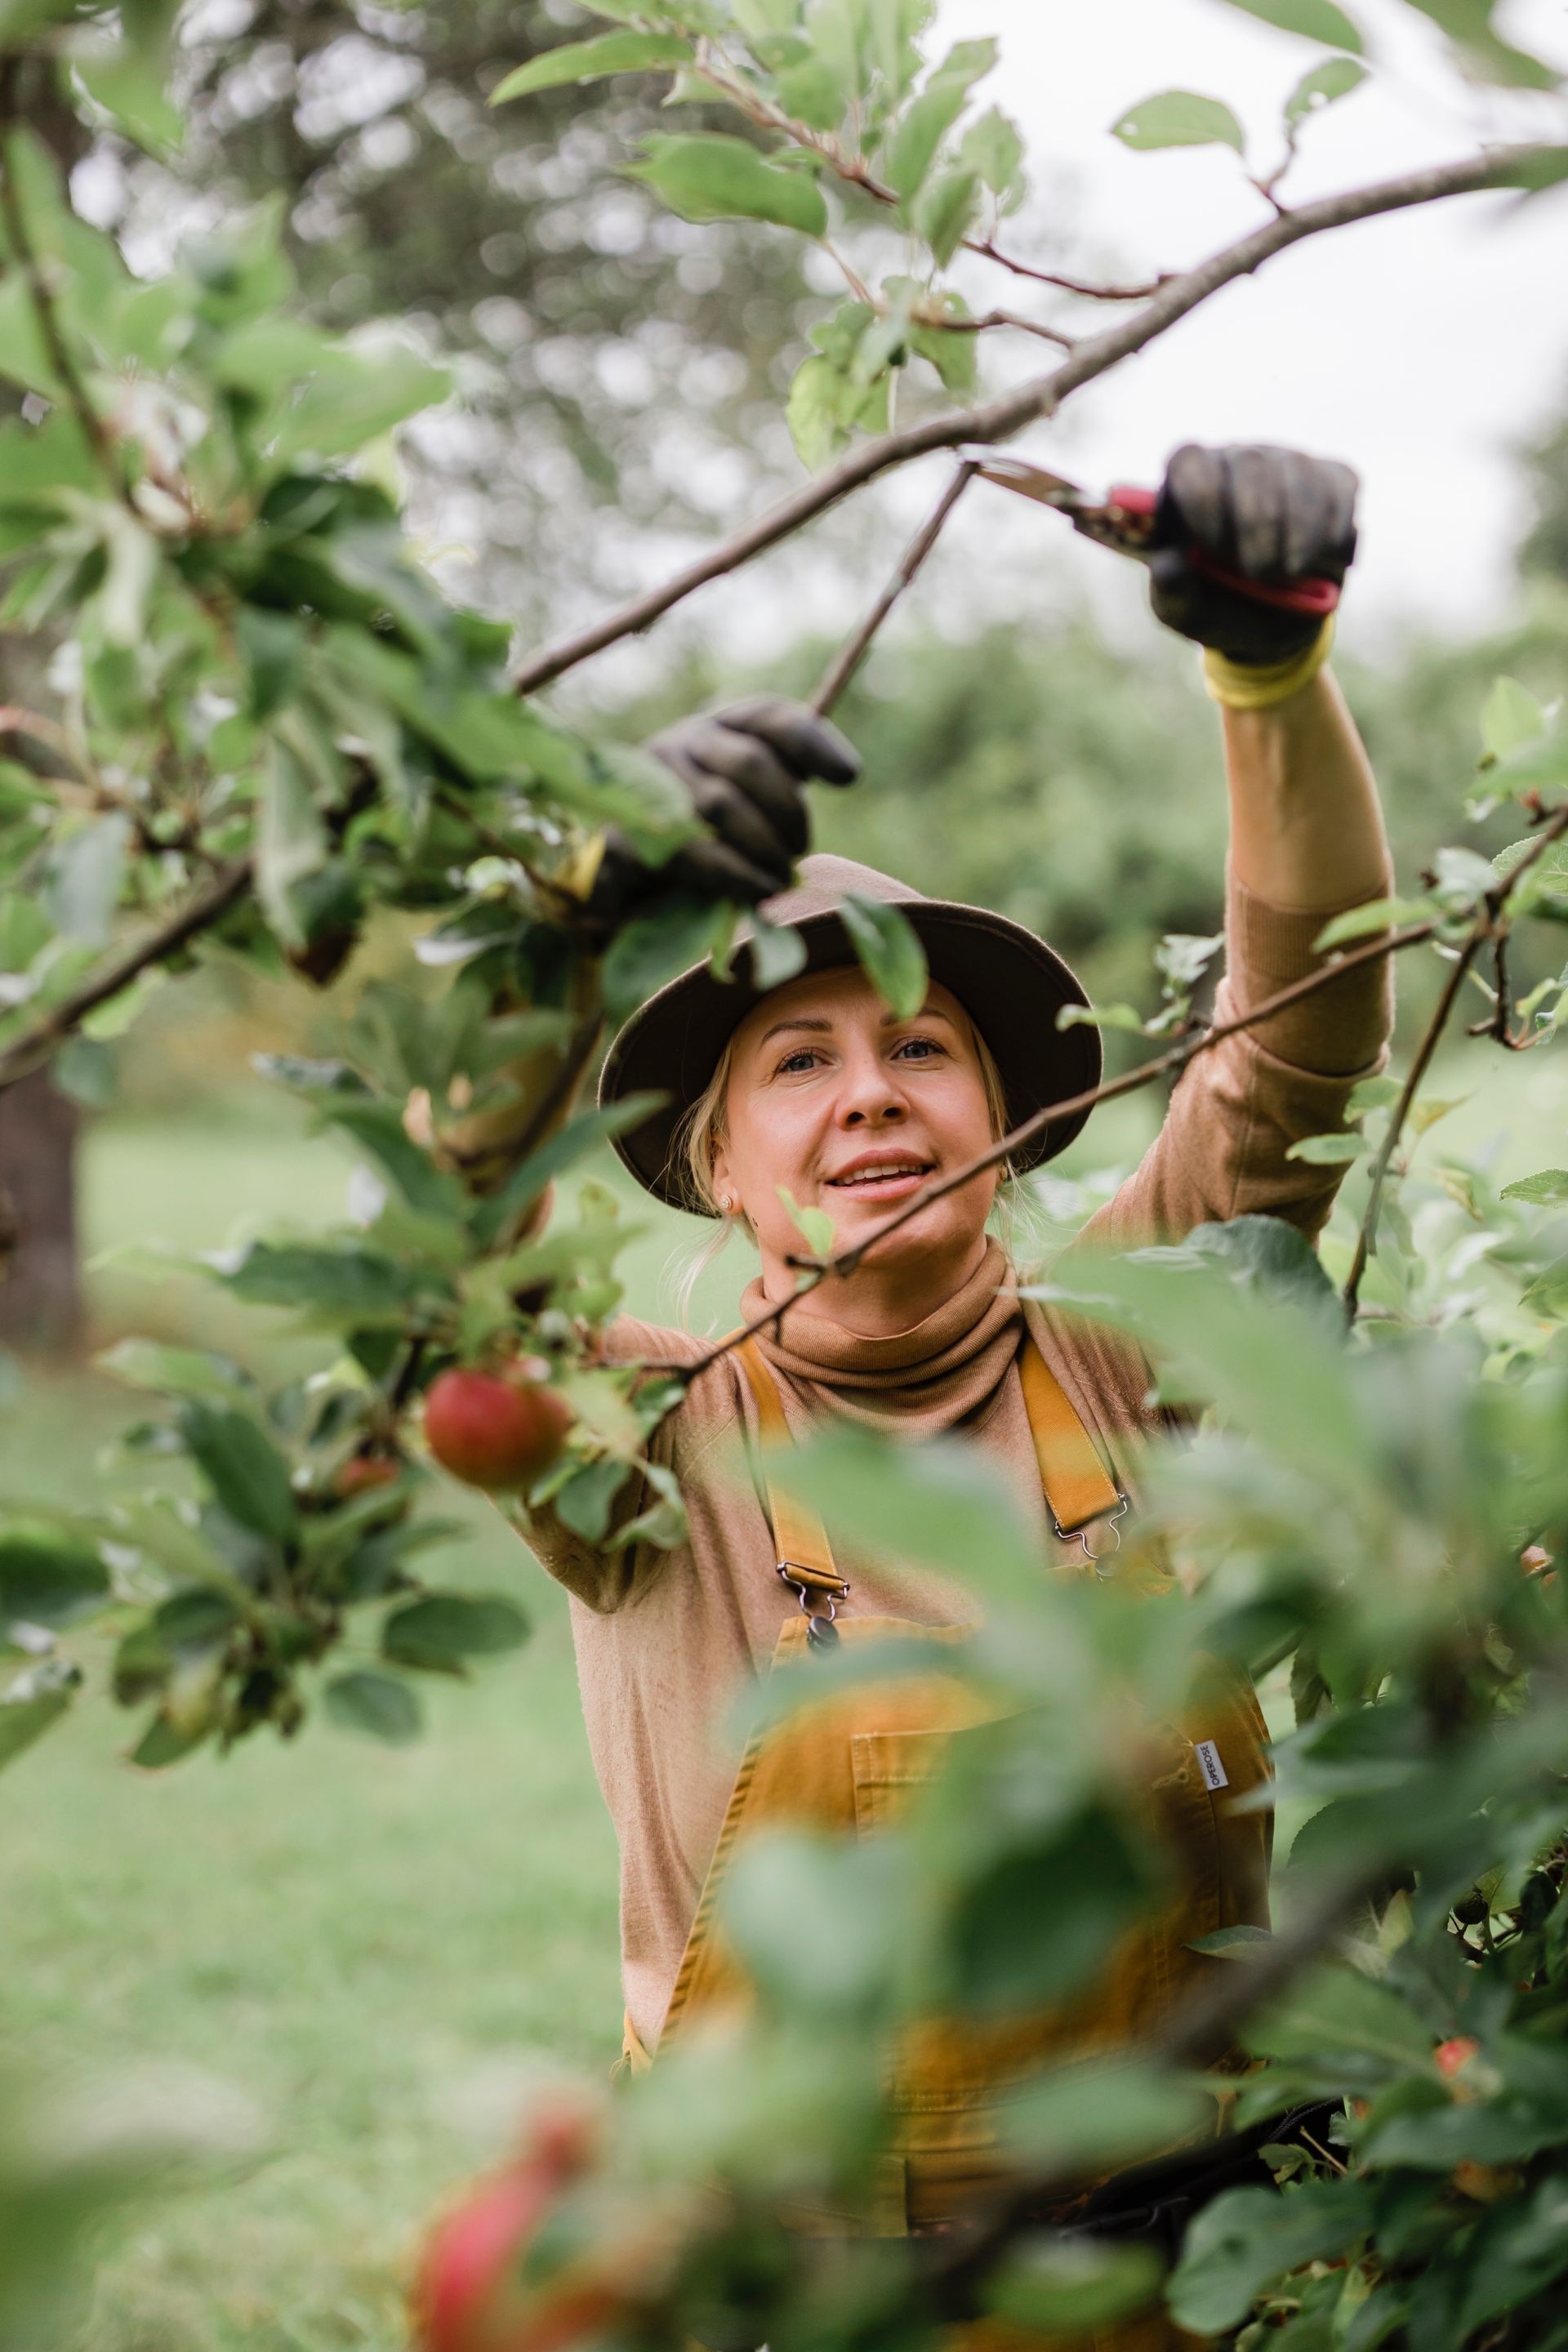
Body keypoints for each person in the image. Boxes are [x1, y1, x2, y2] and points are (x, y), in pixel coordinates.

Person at [493, 447, 1394, 2256]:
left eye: (919, 1049)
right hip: (802, 2276)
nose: (873, 1099)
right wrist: (576, 934)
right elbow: (446, 1275)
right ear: (720, 1167)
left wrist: (1272, 672)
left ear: (1003, 1116)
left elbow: (1293, 1047)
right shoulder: (651, 1441)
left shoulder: (1134, 1346)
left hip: (1176, 2272)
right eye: (799, 1065)